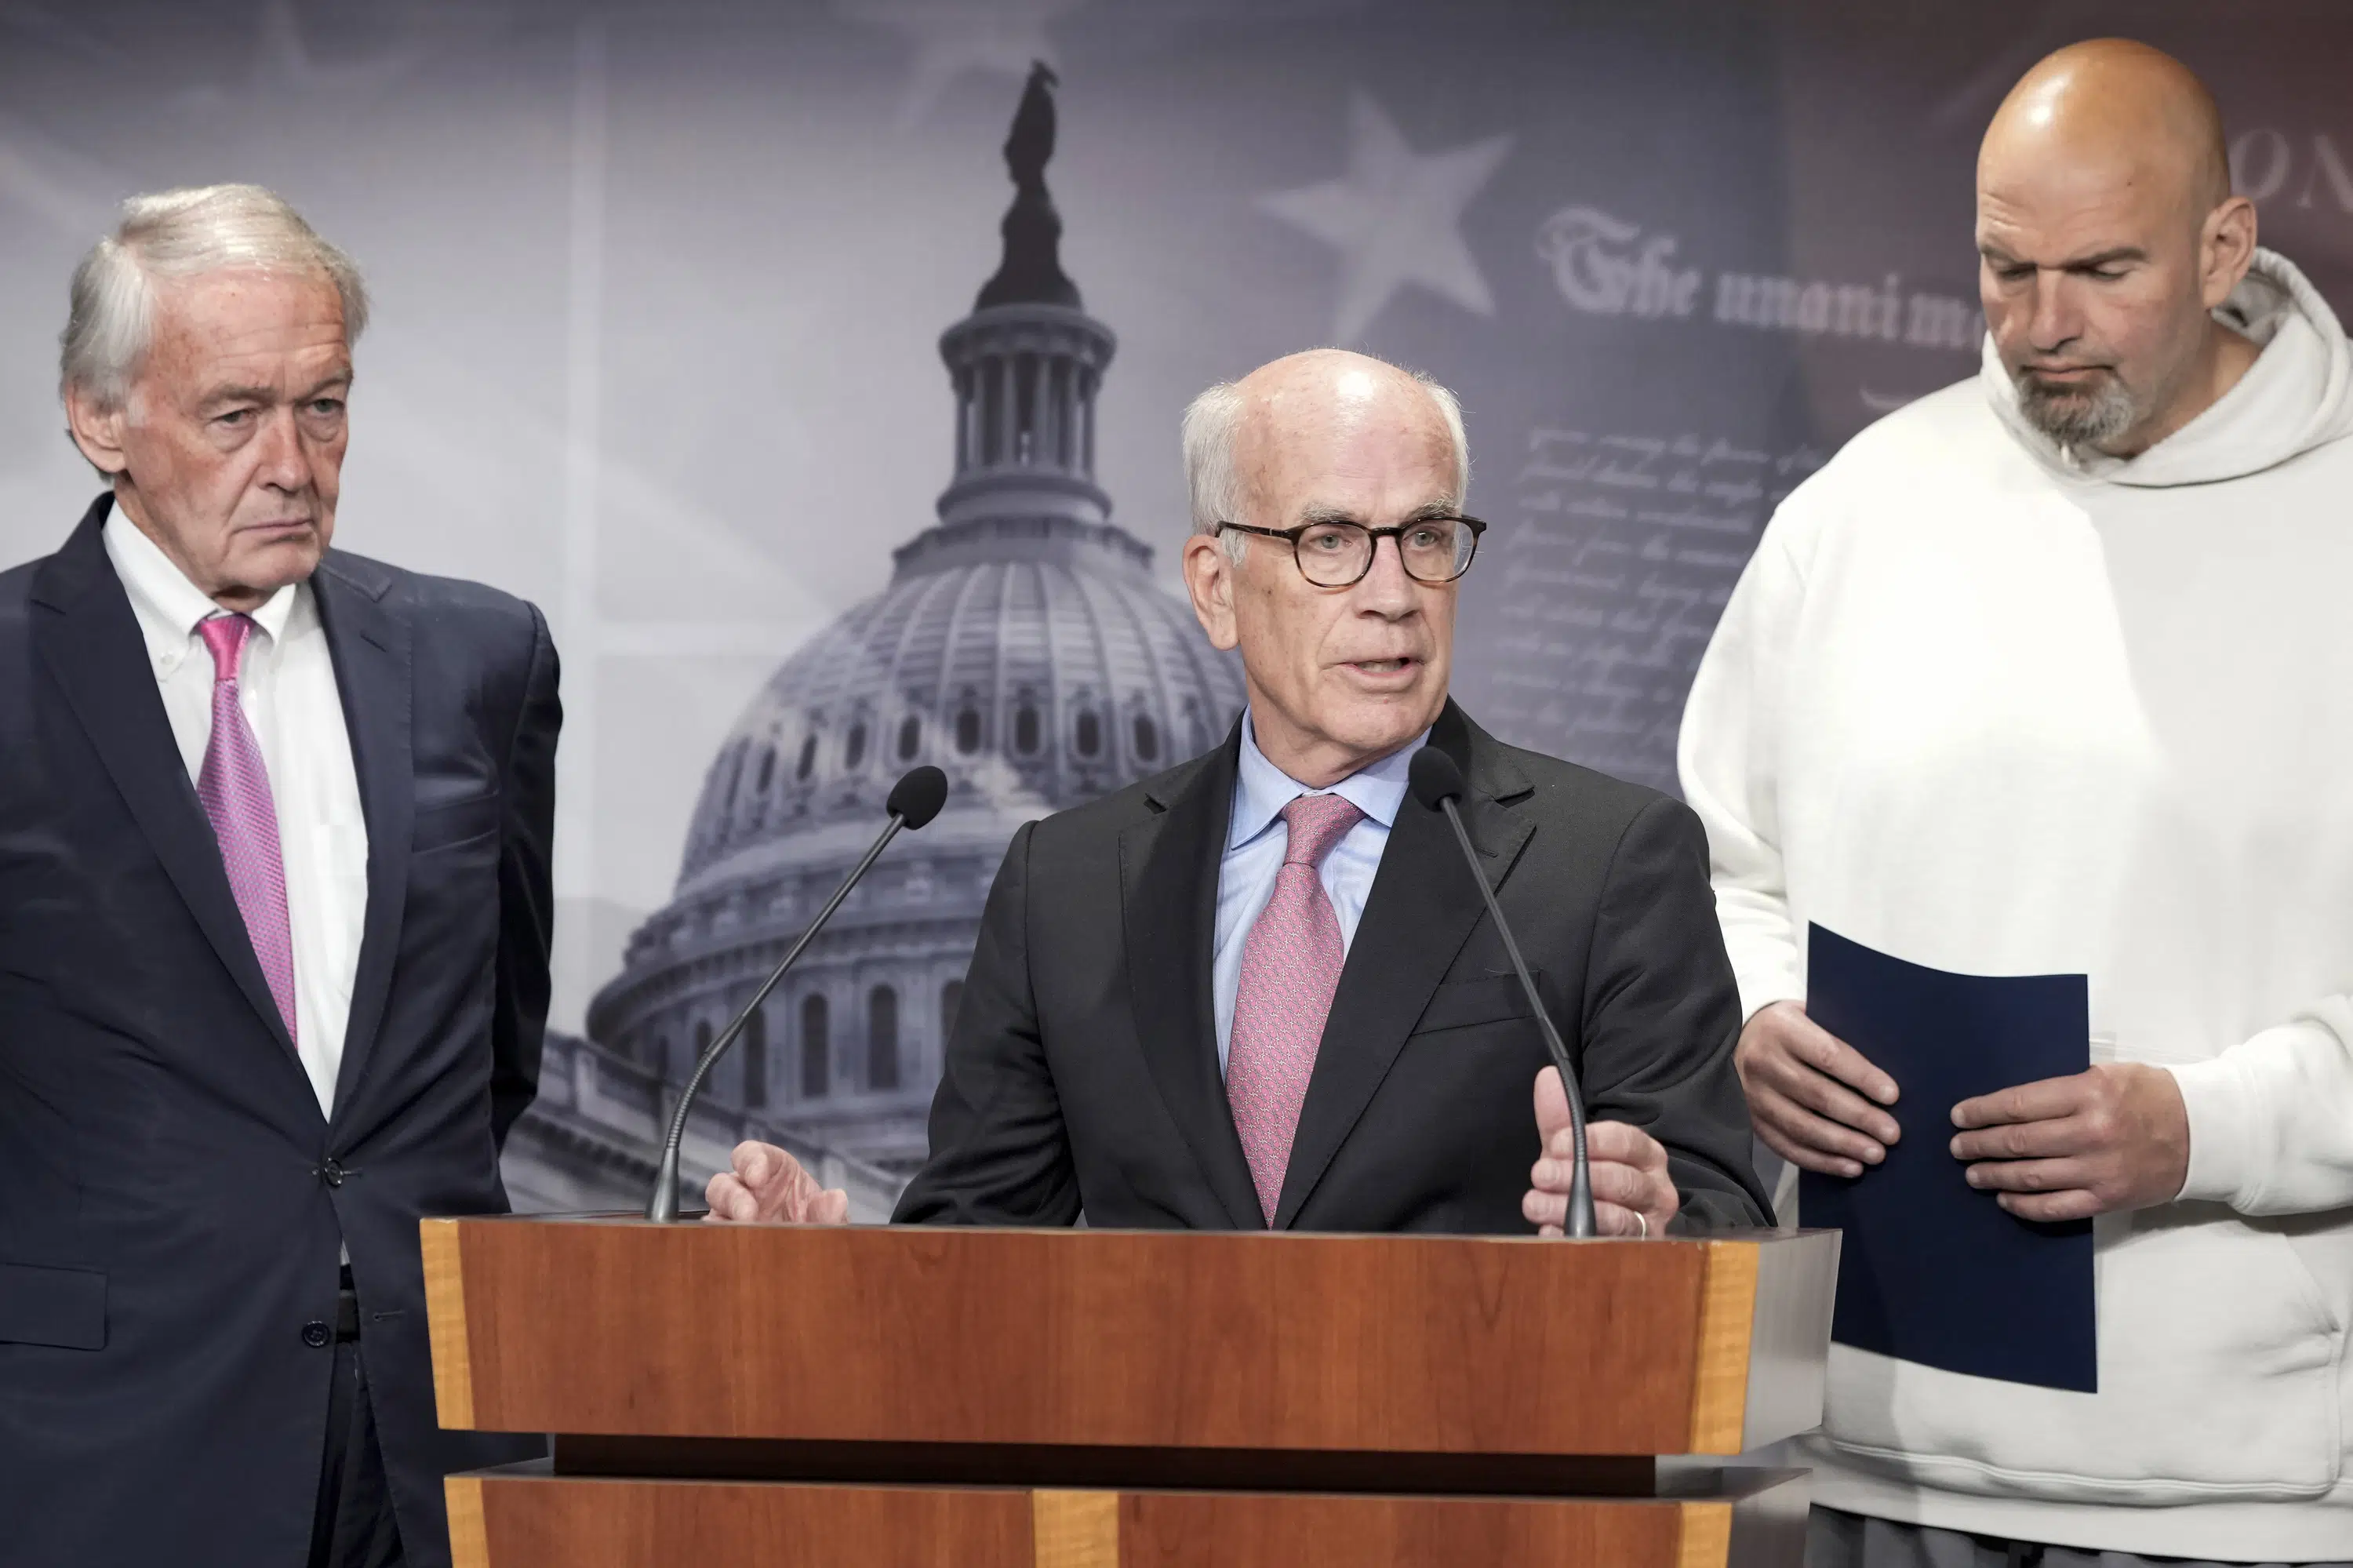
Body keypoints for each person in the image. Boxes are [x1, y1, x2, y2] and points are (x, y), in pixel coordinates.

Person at [1678, 39, 2353, 1568]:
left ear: (2226, 245)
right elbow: (1725, 870)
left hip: (2249, 1496)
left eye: (2105, 271)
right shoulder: (1857, 510)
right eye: (2005, 268)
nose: (2045, 327)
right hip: (1862, 1453)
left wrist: (2208, 1127)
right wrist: (1760, 1017)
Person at [709, 347, 1769, 1239]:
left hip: (1464, 1477)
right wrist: (831, 1268)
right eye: (1332, 543)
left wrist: (1653, 1225)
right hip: (1137, 1482)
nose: (1395, 595)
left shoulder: (1609, 862)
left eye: (1429, 538)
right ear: (1217, 587)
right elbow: (978, 1260)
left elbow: (1726, 1215)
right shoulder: (1066, 885)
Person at [0, 186, 560, 1568]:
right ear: (99, 419)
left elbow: (496, 1051)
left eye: (326, 405)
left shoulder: (484, 660)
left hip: (431, 1448)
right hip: (103, 1444)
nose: (295, 463)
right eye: (236, 413)